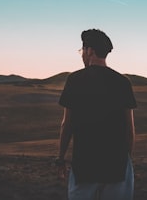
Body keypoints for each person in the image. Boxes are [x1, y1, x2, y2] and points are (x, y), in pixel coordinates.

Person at [56, 29, 137, 200]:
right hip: (117, 164)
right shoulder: (123, 83)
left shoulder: (75, 80)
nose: (82, 55)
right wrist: (125, 161)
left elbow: (67, 125)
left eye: (82, 51)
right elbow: (130, 130)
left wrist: (60, 158)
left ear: (90, 51)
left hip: (85, 164)